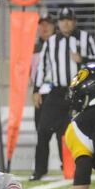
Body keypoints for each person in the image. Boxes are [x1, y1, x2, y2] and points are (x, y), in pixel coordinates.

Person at [30, 7, 95, 181]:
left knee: (71, 132)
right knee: (43, 130)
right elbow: (42, 67)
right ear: (59, 23)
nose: (66, 23)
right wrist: (36, 90)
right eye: (62, 20)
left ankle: (71, 167)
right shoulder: (51, 42)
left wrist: (83, 59)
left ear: (74, 21)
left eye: (69, 19)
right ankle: (39, 170)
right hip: (56, 92)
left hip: (78, 91)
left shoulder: (85, 37)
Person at [30, 14, 56, 151]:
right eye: (42, 24)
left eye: (48, 24)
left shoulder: (61, 44)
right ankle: (41, 164)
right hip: (40, 94)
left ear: (54, 26)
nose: (45, 27)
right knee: (41, 133)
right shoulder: (32, 47)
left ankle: (66, 162)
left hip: (59, 93)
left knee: (63, 133)